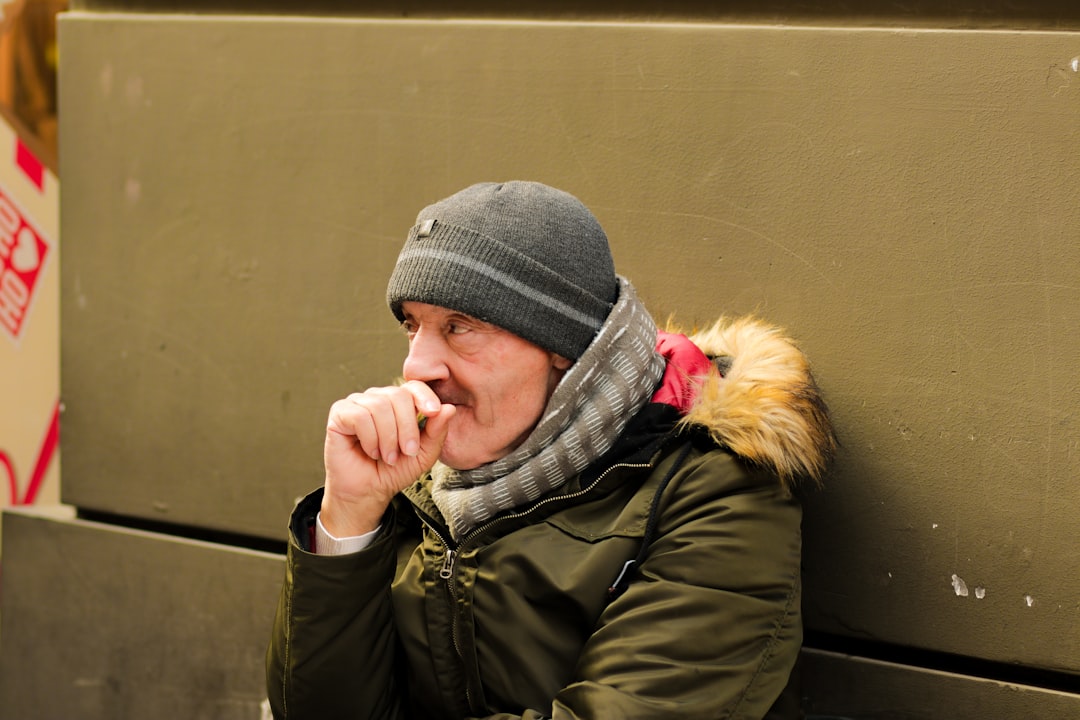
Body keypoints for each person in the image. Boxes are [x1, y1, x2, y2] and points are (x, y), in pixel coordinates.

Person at [266, 181, 836, 720]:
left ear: (565, 349)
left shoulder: (717, 495)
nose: (416, 366)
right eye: (412, 326)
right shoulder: (415, 479)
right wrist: (348, 520)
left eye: (460, 326)